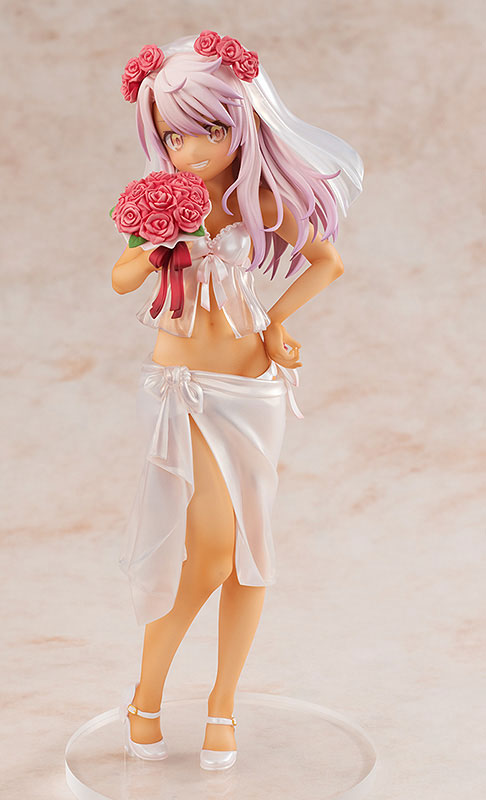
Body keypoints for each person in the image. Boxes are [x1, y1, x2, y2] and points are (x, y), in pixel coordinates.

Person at [111, 30, 364, 770]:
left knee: (251, 551)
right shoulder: (160, 203)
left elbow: (329, 262)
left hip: (254, 386)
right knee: (211, 551)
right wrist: (157, 244)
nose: (190, 150)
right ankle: (145, 695)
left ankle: (222, 705)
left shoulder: (260, 199)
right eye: (173, 136)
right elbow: (121, 280)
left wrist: (277, 322)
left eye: (207, 131)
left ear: (242, 123)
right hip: (185, 389)